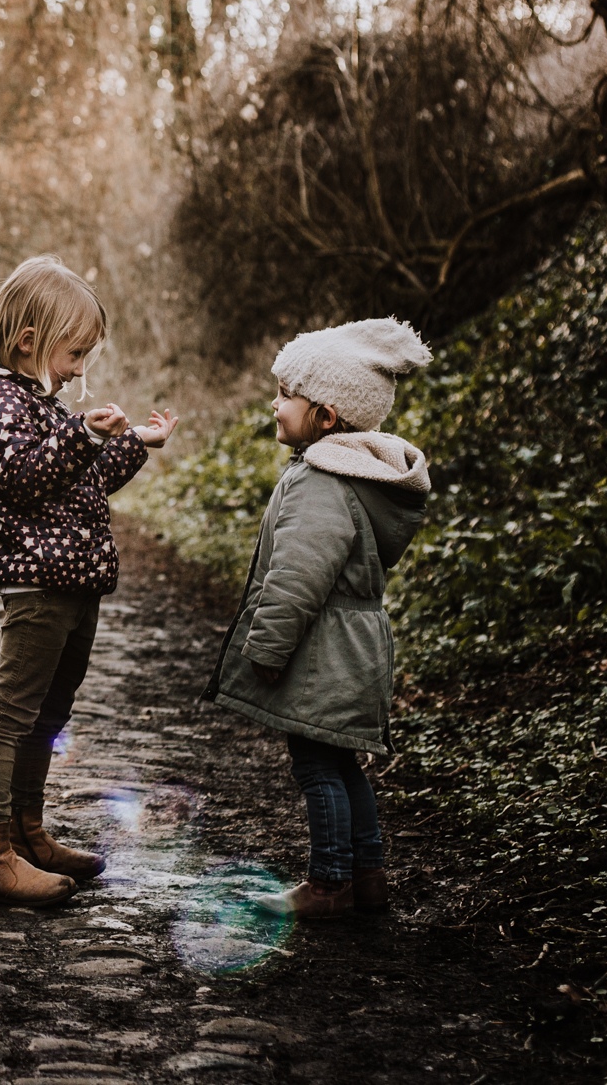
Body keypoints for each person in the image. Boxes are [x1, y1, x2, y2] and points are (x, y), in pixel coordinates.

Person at [0, 256, 178, 906]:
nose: (80, 371)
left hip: (75, 581)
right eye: (75, 353)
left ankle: (29, 832)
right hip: (37, 584)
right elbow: (20, 477)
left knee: (48, 715)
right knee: (12, 715)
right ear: (29, 341)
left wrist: (134, 443)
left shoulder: (36, 401)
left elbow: (76, 480)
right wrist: (82, 438)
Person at [203, 317, 433, 919]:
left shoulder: (322, 481)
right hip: (354, 644)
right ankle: (367, 875)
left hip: (322, 650)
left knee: (315, 766)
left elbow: (298, 577)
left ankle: (329, 884)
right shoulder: (356, 477)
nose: (274, 406)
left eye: (286, 396)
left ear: (326, 416)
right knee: (339, 761)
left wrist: (267, 647)